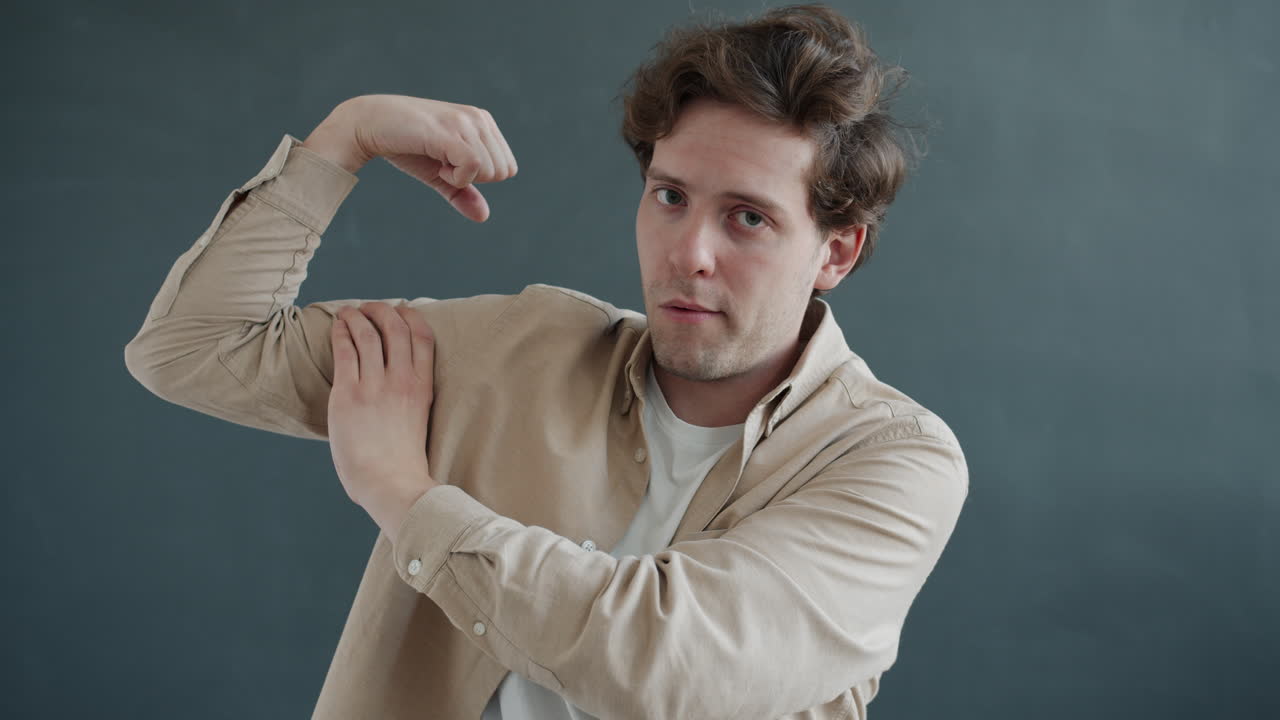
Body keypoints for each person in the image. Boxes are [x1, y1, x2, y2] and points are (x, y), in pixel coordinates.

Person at [123, 3, 968, 718]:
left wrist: (403, 497)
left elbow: (660, 662)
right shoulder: (521, 350)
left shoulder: (894, 462)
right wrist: (344, 140)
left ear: (836, 253)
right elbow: (194, 348)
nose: (689, 253)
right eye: (670, 197)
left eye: (748, 218)